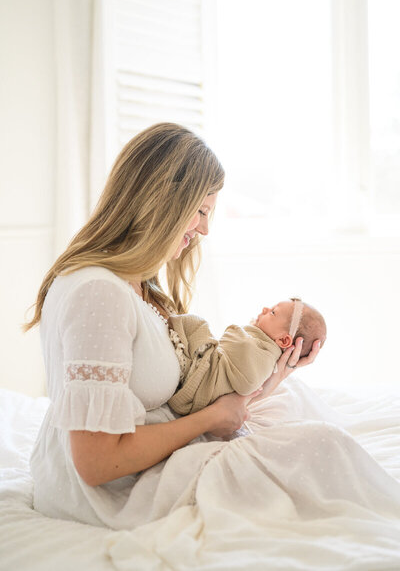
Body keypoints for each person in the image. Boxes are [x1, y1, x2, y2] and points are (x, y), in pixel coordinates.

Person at [25, 122, 320, 529]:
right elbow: (97, 461)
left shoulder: (135, 283)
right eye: (200, 211)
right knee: (316, 462)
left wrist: (270, 376)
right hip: (112, 495)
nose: (204, 229)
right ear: (162, 202)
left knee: (302, 423)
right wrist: (211, 420)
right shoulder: (98, 292)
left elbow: (188, 398)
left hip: (146, 468)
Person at [168, 298, 326, 415]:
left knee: (197, 324)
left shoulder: (266, 356)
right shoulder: (257, 344)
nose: (265, 309)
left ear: (284, 340)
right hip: (210, 369)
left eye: (273, 312)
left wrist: (235, 331)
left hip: (204, 383)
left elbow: (248, 383)